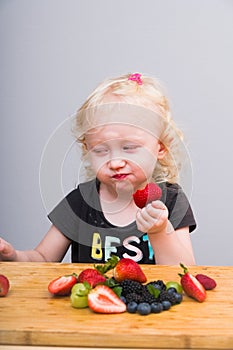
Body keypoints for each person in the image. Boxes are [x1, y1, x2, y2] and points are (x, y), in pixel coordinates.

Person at [0, 73, 196, 265]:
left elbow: (185, 271)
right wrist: (13, 257)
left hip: (151, 298)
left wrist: (159, 232)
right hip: (92, 297)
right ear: (87, 150)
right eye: (101, 150)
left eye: (128, 148)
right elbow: (43, 258)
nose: (115, 162)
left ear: (160, 147)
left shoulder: (172, 201)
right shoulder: (80, 201)